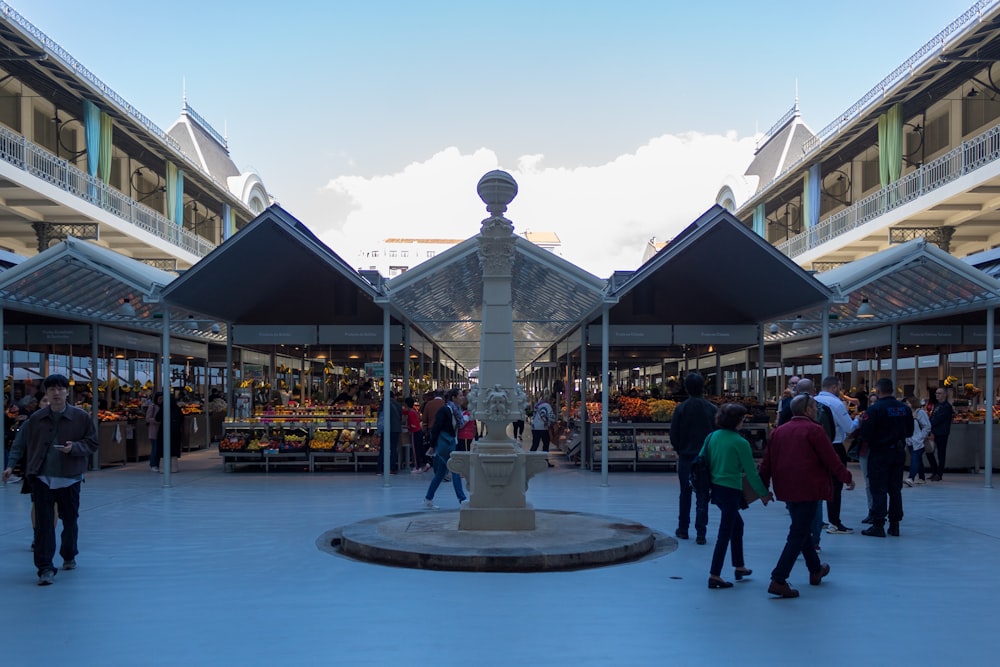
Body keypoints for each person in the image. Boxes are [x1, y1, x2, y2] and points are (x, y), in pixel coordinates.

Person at [2, 374, 99, 586]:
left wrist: (74, 448)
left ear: (67, 392)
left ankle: (69, 554)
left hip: (70, 478)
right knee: (44, 524)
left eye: (60, 389)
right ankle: (45, 567)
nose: (56, 393)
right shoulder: (35, 419)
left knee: (70, 520)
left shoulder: (81, 417)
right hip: (42, 477)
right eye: (52, 389)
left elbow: (92, 443)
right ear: (45, 393)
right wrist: (10, 465)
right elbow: (20, 443)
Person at [758, 393, 854, 598]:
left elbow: (767, 463)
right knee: (797, 533)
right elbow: (831, 459)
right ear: (808, 410)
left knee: (801, 530)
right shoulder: (814, 431)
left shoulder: (779, 432)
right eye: (815, 408)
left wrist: (763, 489)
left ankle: (815, 569)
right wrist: (847, 477)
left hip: (787, 489)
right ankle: (779, 578)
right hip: (810, 488)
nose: (817, 411)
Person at [701, 403, 771, 590]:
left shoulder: (711, 437)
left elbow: (702, 460)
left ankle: (739, 566)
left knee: (736, 525)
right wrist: (763, 494)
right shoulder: (741, 443)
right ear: (738, 421)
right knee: (725, 532)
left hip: (715, 488)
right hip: (731, 490)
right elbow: (752, 473)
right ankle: (715, 574)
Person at [857, 378, 914, 537]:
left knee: (878, 488)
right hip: (898, 452)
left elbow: (866, 435)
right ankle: (895, 524)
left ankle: (878, 524)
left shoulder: (874, 410)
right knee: (895, 489)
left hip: (879, 453)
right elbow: (909, 432)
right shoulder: (904, 409)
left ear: (878, 391)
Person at [669, 372, 716, 544]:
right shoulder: (712, 409)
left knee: (685, 493)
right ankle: (701, 532)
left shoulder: (680, 409)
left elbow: (674, 434)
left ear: (686, 388)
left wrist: (680, 449)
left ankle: (683, 529)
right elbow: (716, 434)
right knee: (703, 495)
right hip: (704, 459)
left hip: (686, 458)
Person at [815, 376, 859, 535]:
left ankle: (817, 521)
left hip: (815, 448)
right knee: (835, 485)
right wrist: (858, 420)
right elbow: (849, 428)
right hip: (834, 446)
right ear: (834, 387)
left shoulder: (812, 401)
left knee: (817, 484)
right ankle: (835, 522)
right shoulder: (836, 403)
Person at [423, 388, 468, 509]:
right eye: (459, 396)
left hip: (449, 444)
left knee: (440, 473)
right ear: (453, 398)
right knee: (455, 470)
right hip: (445, 445)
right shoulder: (446, 410)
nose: (462, 397)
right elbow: (436, 428)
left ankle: (428, 498)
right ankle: (462, 499)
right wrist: (432, 445)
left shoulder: (456, 411)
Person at [928, 386, 953, 481]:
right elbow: (933, 417)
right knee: (929, 452)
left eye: (939, 393)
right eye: (936, 393)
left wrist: (929, 425)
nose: (937, 395)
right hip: (933, 432)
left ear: (945, 395)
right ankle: (934, 471)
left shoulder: (946, 407)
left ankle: (939, 473)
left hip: (942, 433)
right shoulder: (937, 405)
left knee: (941, 454)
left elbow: (938, 419)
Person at [904, 395, 931, 486]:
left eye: (908, 403)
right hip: (910, 440)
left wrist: (921, 436)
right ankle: (921, 477)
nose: (906, 405)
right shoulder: (907, 413)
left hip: (918, 441)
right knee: (917, 459)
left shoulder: (921, 413)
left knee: (915, 458)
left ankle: (911, 478)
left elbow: (927, 426)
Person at [530, 394, 558, 467]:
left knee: (535, 444)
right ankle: (545, 461)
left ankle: (529, 460)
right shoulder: (547, 406)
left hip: (535, 426)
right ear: (550, 399)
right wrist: (554, 422)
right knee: (546, 444)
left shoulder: (537, 404)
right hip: (543, 427)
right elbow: (550, 416)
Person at [404, 397, 428, 474]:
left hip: (415, 432)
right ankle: (426, 463)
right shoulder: (414, 411)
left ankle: (417, 467)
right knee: (420, 449)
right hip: (419, 431)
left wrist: (409, 428)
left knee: (415, 450)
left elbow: (413, 424)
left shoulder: (410, 413)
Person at [146, 392, 163, 472]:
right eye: (160, 399)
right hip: (153, 430)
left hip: (160, 431)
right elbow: (148, 418)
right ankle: (153, 464)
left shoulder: (162, 406)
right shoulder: (152, 406)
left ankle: (157, 463)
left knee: (158, 448)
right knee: (155, 448)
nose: (161, 400)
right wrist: (157, 421)